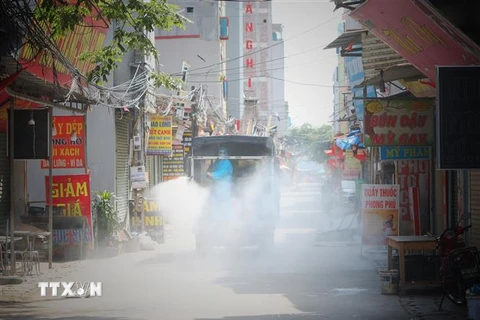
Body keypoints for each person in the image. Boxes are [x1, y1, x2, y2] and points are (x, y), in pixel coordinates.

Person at [206, 147, 233, 217]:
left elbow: (222, 172)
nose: (221, 154)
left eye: (223, 153)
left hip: (225, 187)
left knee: (224, 204)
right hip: (217, 186)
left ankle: (225, 219)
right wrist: (209, 172)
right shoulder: (218, 162)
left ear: (226, 154)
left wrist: (212, 174)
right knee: (215, 203)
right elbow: (214, 169)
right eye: (220, 153)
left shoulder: (227, 162)